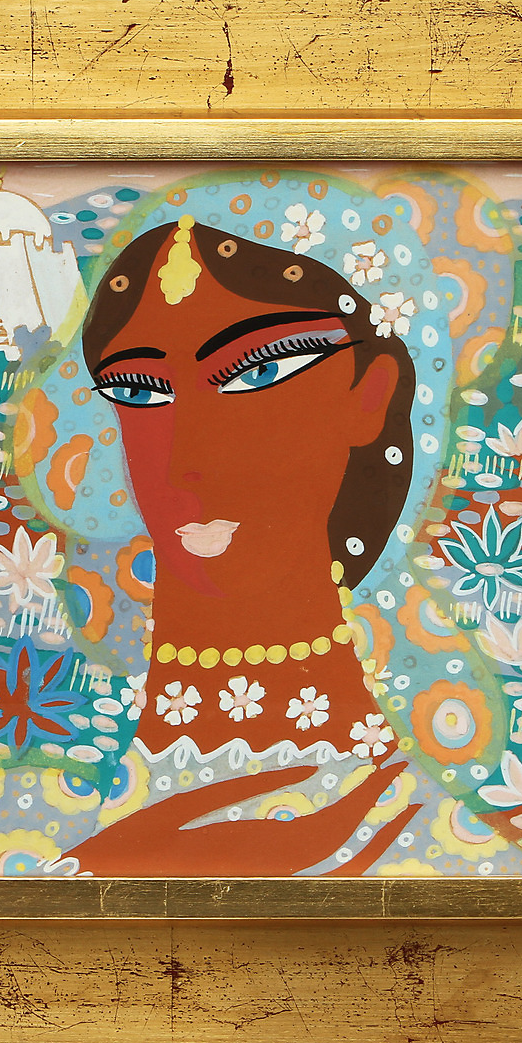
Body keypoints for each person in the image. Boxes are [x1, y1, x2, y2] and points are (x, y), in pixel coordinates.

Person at [65, 213, 420, 875]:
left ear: (368, 395)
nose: (187, 463)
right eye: (139, 390)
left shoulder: (419, 824)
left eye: (259, 371)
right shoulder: (38, 801)